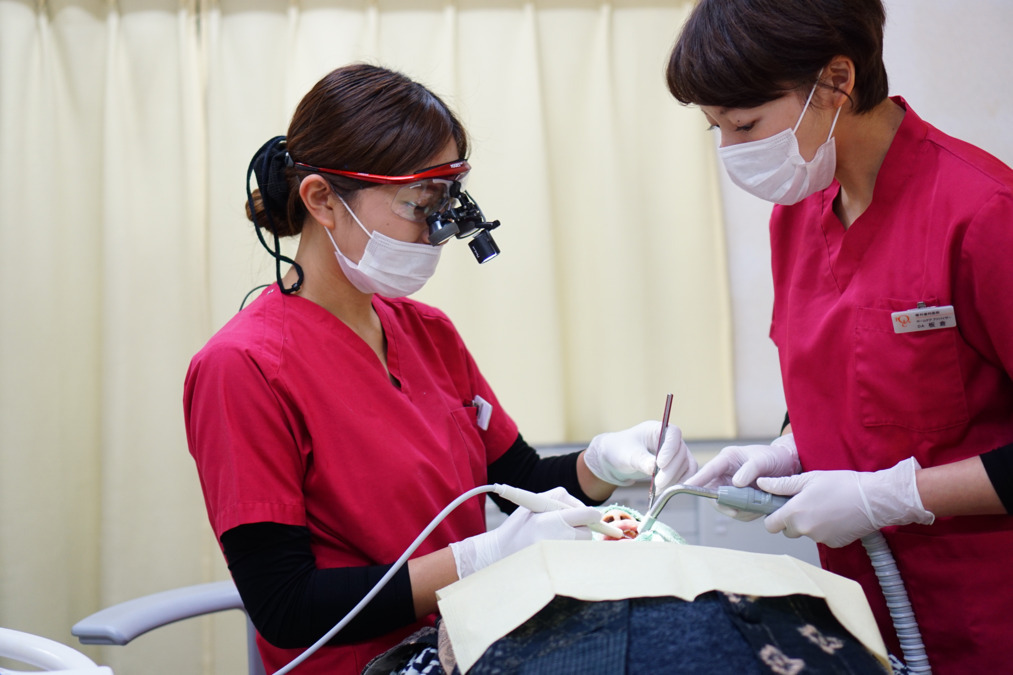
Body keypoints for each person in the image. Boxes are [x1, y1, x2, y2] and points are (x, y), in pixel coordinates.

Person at [183, 63, 697, 675]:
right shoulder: (243, 368)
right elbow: (286, 606)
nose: (439, 231)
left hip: (475, 642)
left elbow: (520, 483)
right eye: (418, 203)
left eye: (447, 203)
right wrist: (478, 561)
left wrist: (606, 463)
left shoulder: (428, 334)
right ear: (322, 198)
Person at [665, 0, 1013, 671]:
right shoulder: (795, 218)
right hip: (863, 607)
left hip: (987, 613)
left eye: (744, 124)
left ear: (835, 80)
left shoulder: (981, 214)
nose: (730, 153)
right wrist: (789, 447)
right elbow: (844, 373)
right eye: (714, 128)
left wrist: (892, 495)